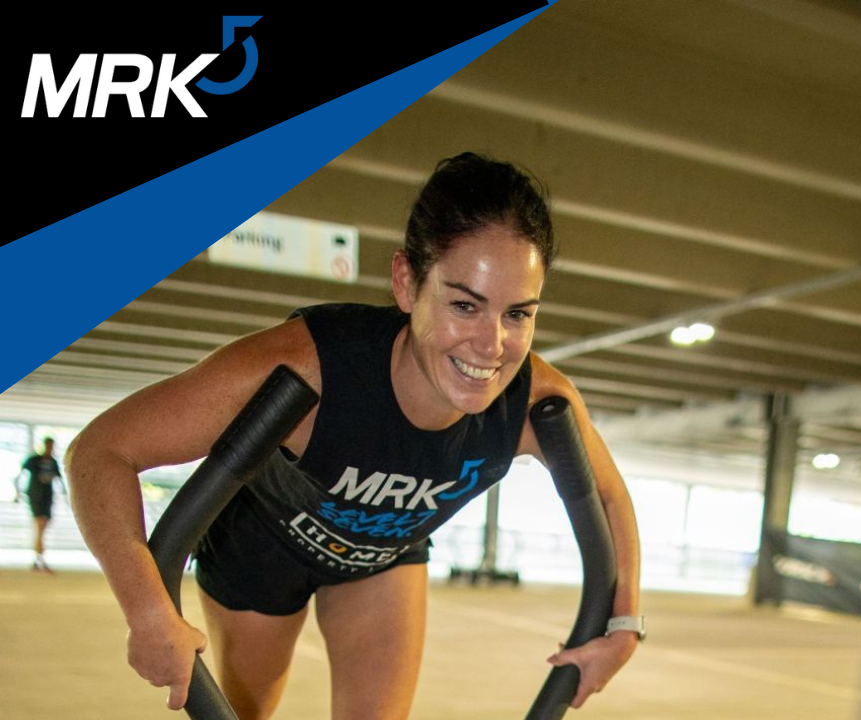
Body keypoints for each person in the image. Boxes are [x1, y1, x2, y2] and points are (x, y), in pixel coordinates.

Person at [66, 152, 642, 720]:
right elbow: (99, 451)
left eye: (517, 314)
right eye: (465, 305)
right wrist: (147, 612)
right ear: (407, 283)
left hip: (382, 557)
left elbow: (609, 496)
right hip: (262, 543)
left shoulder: (536, 402)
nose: (492, 346)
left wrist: (624, 623)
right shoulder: (308, 366)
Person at [16, 436, 64, 573]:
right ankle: (39, 559)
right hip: (35, 496)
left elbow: (59, 480)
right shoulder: (34, 460)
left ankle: (38, 559)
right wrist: (17, 492)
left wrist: (67, 497)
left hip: (48, 498)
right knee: (39, 526)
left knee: (42, 528)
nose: (50, 448)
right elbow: (20, 474)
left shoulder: (53, 462)